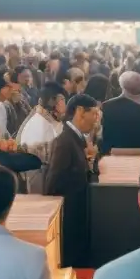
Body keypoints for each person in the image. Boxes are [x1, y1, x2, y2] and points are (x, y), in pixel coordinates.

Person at [43, 94, 99, 268]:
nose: (96, 120)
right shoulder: (64, 142)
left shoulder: (78, 138)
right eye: (94, 114)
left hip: (77, 218)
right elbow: (52, 184)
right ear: (80, 111)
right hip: (69, 223)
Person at [15, 82, 66, 194]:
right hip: (38, 182)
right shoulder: (39, 125)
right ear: (53, 102)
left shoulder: (47, 119)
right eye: (63, 100)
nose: (65, 105)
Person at [99, 71, 140, 162]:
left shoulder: (106, 107)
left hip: (111, 162)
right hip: (137, 164)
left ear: (122, 86)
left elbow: (100, 137)